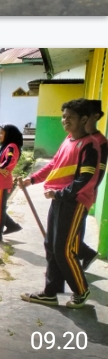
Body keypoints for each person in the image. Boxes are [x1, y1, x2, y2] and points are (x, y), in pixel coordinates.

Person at [19, 98, 101, 308]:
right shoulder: (69, 139)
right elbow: (55, 165)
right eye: (63, 116)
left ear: (84, 119)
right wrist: (33, 179)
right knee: (51, 245)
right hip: (59, 199)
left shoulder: (90, 145)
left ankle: (81, 291)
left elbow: (86, 179)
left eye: (70, 117)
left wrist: (62, 194)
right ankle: (50, 292)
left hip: (74, 202)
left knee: (64, 249)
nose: (65, 120)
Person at [78, 101, 106, 272]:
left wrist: (88, 191)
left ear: (95, 116)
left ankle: (84, 253)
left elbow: (99, 172)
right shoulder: (78, 137)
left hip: (82, 194)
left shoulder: (100, 141)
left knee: (73, 231)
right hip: (68, 193)